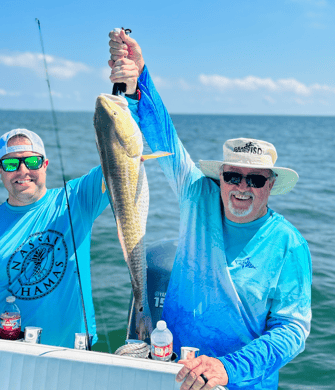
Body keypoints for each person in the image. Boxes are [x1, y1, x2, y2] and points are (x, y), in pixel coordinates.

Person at [108, 30, 312, 390]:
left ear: (271, 185)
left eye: (256, 180)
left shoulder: (287, 243)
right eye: (233, 176)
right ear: (220, 177)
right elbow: (164, 139)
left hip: (240, 382)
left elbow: (292, 329)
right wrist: (139, 78)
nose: (242, 188)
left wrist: (227, 368)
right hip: (175, 372)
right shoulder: (197, 195)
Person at [0, 128, 109, 348]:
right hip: (9, 356)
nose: (22, 171)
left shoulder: (79, 200)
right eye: (11, 164)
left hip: (77, 354)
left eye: (32, 161)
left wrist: (128, 100)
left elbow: (121, 158)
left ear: (45, 165)